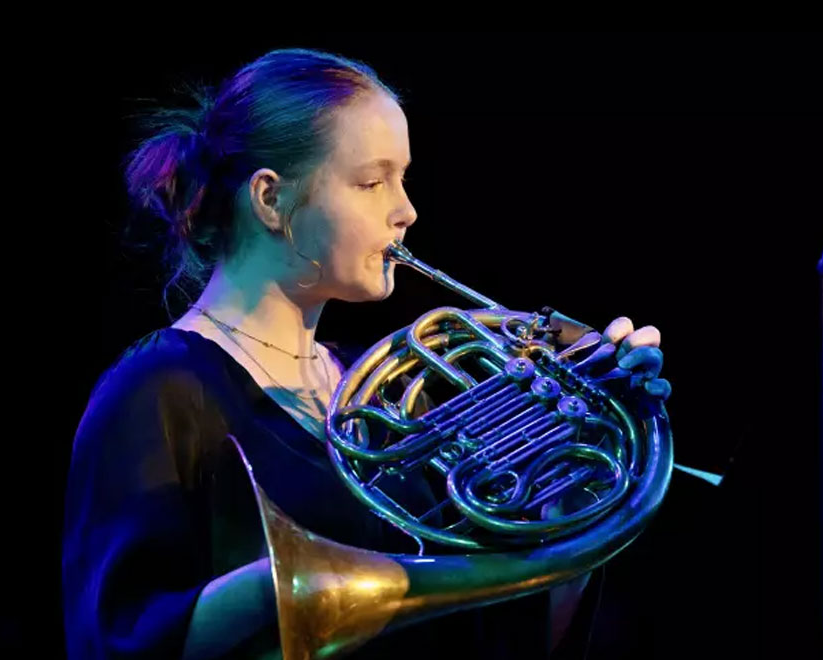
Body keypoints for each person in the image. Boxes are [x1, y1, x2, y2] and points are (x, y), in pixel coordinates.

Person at [62, 47, 671, 660]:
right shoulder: (160, 389)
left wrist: (573, 505)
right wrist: (285, 588)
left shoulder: (391, 395)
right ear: (271, 200)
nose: (406, 211)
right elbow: (114, 639)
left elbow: (494, 638)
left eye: (402, 178)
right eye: (371, 181)